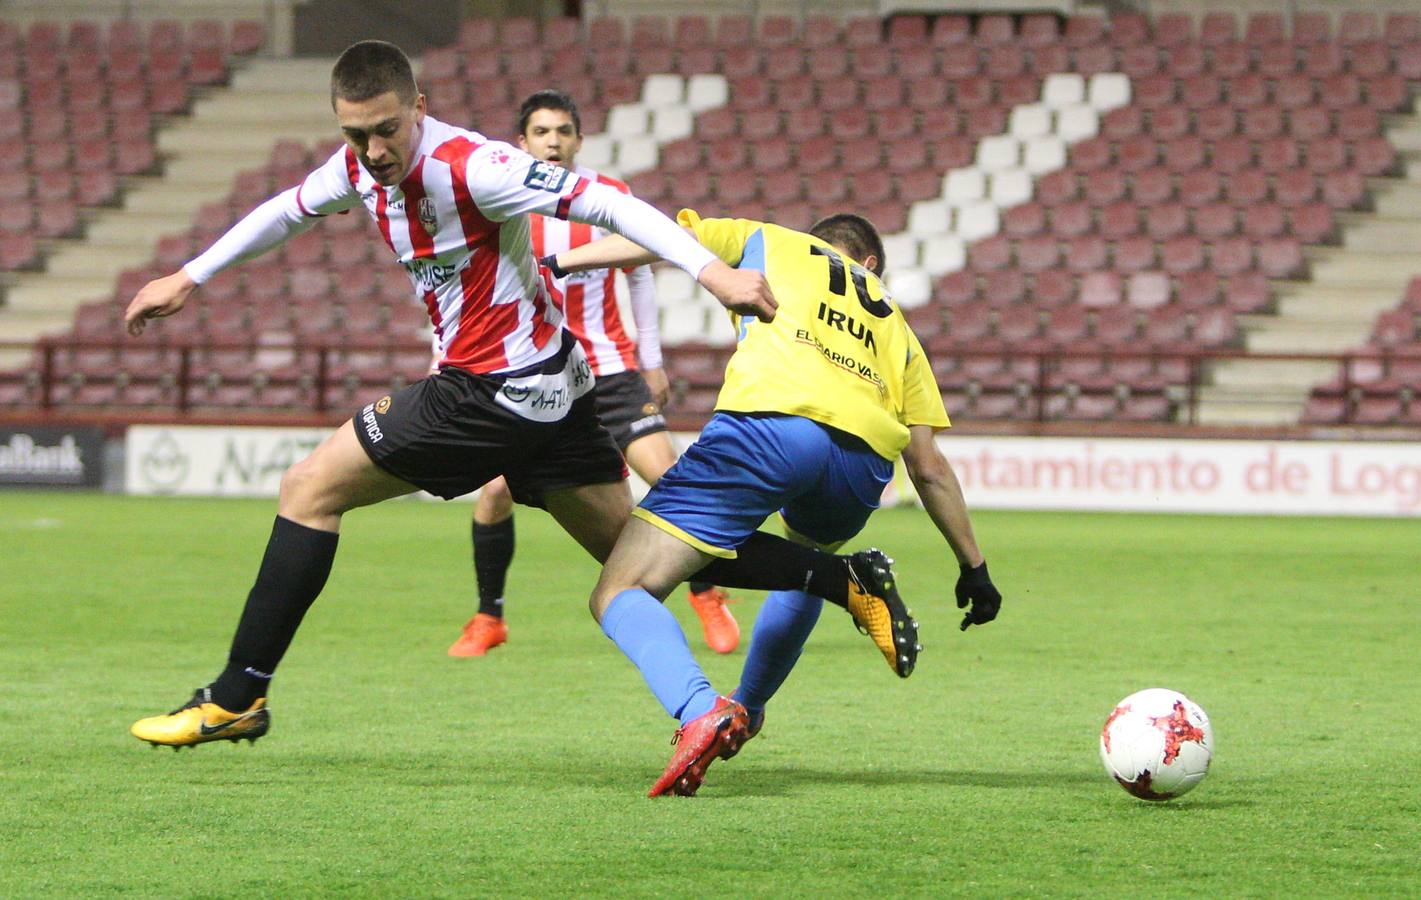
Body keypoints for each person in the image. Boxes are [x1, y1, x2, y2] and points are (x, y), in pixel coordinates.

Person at [122, 41, 906, 752]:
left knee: (307, 488)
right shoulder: (357, 167)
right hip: (556, 391)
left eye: (387, 129)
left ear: (419, 107)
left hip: (489, 392)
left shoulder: (477, 166)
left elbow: (609, 205)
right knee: (636, 558)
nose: (372, 150)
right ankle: (836, 579)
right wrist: (190, 275)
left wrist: (714, 272)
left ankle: (236, 697)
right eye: (355, 134)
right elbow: (285, 211)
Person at [545, 211, 1003, 796]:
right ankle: (750, 707)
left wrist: (560, 261)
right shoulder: (901, 331)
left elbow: (657, 238)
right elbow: (929, 466)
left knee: (620, 588)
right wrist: (974, 568)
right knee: (802, 563)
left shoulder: (771, 240)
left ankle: (698, 708)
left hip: (769, 430)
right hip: (861, 470)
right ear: (870, 264)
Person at [448, 90, 739, 660]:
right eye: (540, 131)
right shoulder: (503, 203)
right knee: (492, 495)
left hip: (608, 370)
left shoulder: (606, 197)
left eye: (562, 130)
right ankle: (489, 618)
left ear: (579, 139)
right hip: (534, 374)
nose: (552, 140)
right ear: (522, 143)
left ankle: (707, 594)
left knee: (670, 478)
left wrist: (650, 360)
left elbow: (639, 276)